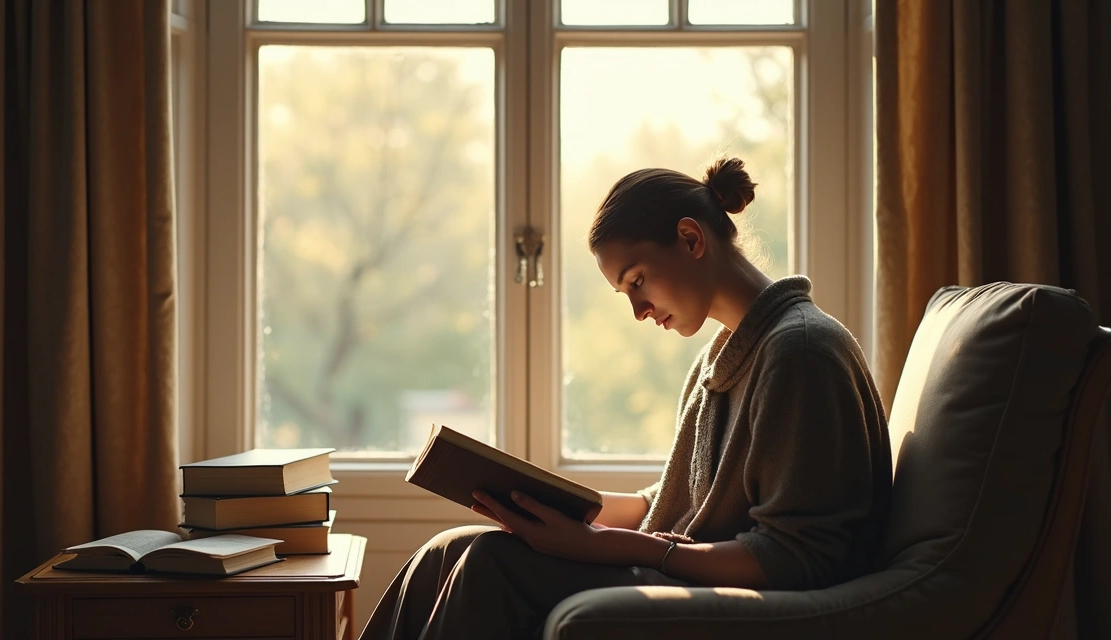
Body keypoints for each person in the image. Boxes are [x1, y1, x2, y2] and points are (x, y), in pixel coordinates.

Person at [359, 157, 893, 640]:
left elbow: (798, 555)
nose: (639, 311)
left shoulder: (800, 352)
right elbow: (680, 496)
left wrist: (602, 546)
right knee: (446, 551)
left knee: (487, 567)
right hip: (683, 568)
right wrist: (547, 507)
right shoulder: (723, 356)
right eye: (626, 293)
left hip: (749, 604)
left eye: (638, 281)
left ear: (691, 239)